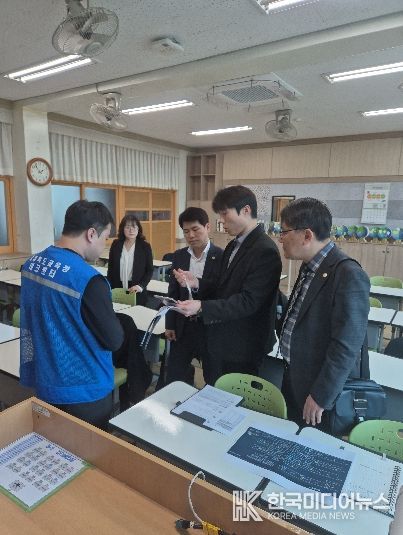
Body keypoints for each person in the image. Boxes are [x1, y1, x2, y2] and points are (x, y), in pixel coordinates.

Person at [20, 200, 124, 429]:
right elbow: (114, 340)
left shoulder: (31, 265)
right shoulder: (88, 279)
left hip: (46, 379)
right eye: (105, 238)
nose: (104, 246)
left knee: (54, 444)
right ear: (91, 234)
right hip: (85, 390)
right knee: (88, 449)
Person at [278, 197, 370, 431]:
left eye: (284, 231)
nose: (280, 238)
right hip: (295, 375)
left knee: (312, 445)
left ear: (307, 235)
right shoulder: (310, 265)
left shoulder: (348, 273)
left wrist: (321, 395)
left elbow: (346, 346)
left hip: (319, 393)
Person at [176, 186, 282, 385]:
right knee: (214, 388)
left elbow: (248, 301)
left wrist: (202, 306)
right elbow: (222, 285)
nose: (221, 220)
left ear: (246, 210)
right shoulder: (233, 245)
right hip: (221, 339)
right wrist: (197, 282)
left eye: (225, 214)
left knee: (235, 397)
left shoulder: (264, 250)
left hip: (243, 345)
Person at [165, 207, 223, 385]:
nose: (190, 235)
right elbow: (173, 291)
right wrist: (170, 324)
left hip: (210, 327)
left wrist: (197, 283)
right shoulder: (179, 256)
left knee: (213, 377)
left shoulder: (221, 256)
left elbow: (222, 292)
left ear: (207, 227)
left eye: (195, 229)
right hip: (183, 327)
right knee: (175, 375)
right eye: (186, 231)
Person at [107, 215, 153, 306]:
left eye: (134, 227)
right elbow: (110, 268)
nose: (131, 230)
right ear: (122, 229)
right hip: (118, 288)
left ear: (138, 229)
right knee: (118, 313)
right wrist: (110, 287)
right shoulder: (116, 244)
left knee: (136, 314)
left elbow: (150, 270)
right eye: (127, 227)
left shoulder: (145, 246)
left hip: (136, 289)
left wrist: (140, 286)